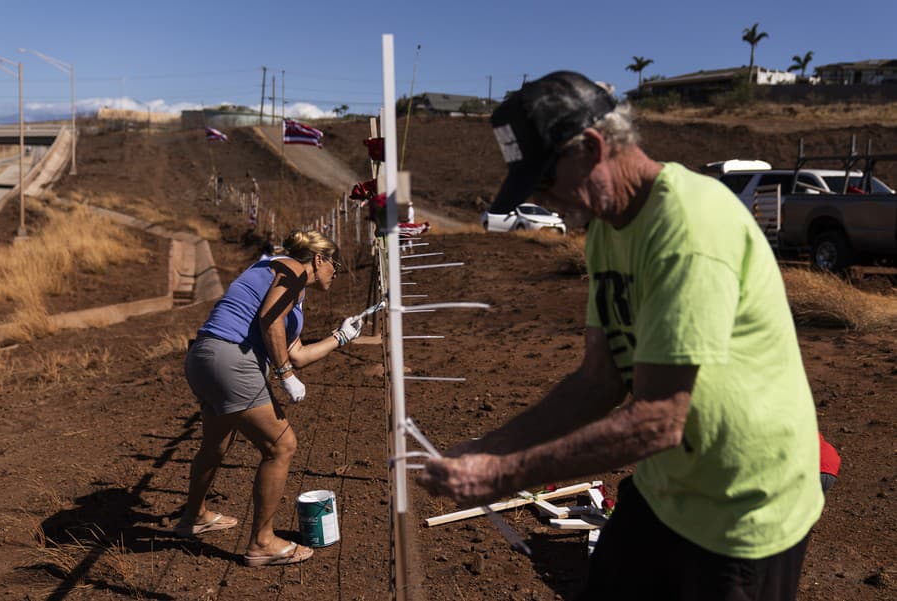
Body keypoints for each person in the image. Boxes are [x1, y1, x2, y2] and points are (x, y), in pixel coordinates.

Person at [418, 71, 824, 600]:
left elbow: (657, 420)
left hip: (743, 508)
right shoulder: (608, 231)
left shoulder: (688, 227)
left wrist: (504, 473)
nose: (547, 200)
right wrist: (488, 448)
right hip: (668, 488)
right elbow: (597, 380)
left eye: (545, 181)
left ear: (591, 147)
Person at [175, 230, 365, 567]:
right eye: (334, 264)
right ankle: (262, 542)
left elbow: (298, 353)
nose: (336, 271)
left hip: (205, 357)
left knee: (215, 442)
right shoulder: (292, 271)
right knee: (281, 446)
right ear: (318, 260)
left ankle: (195, 516)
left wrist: (340, 336)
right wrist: (284, 375)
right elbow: (269, 320)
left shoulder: (274, 275)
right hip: (231, 360)